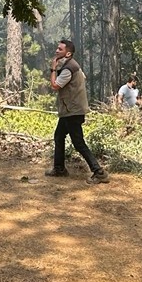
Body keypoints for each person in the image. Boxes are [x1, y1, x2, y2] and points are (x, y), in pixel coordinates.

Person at [46, 39, 108, 184]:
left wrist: (53, 69)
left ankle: (99, 172)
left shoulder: (68, 69)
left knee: (78, 143)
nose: (56, 51)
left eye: (60, 49)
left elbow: (55, 86)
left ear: (67, 53)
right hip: (71, 110)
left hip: (72, 111)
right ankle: (59, 168)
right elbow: (83, 77)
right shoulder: (73, 66)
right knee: (59, 136)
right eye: (57, 48)